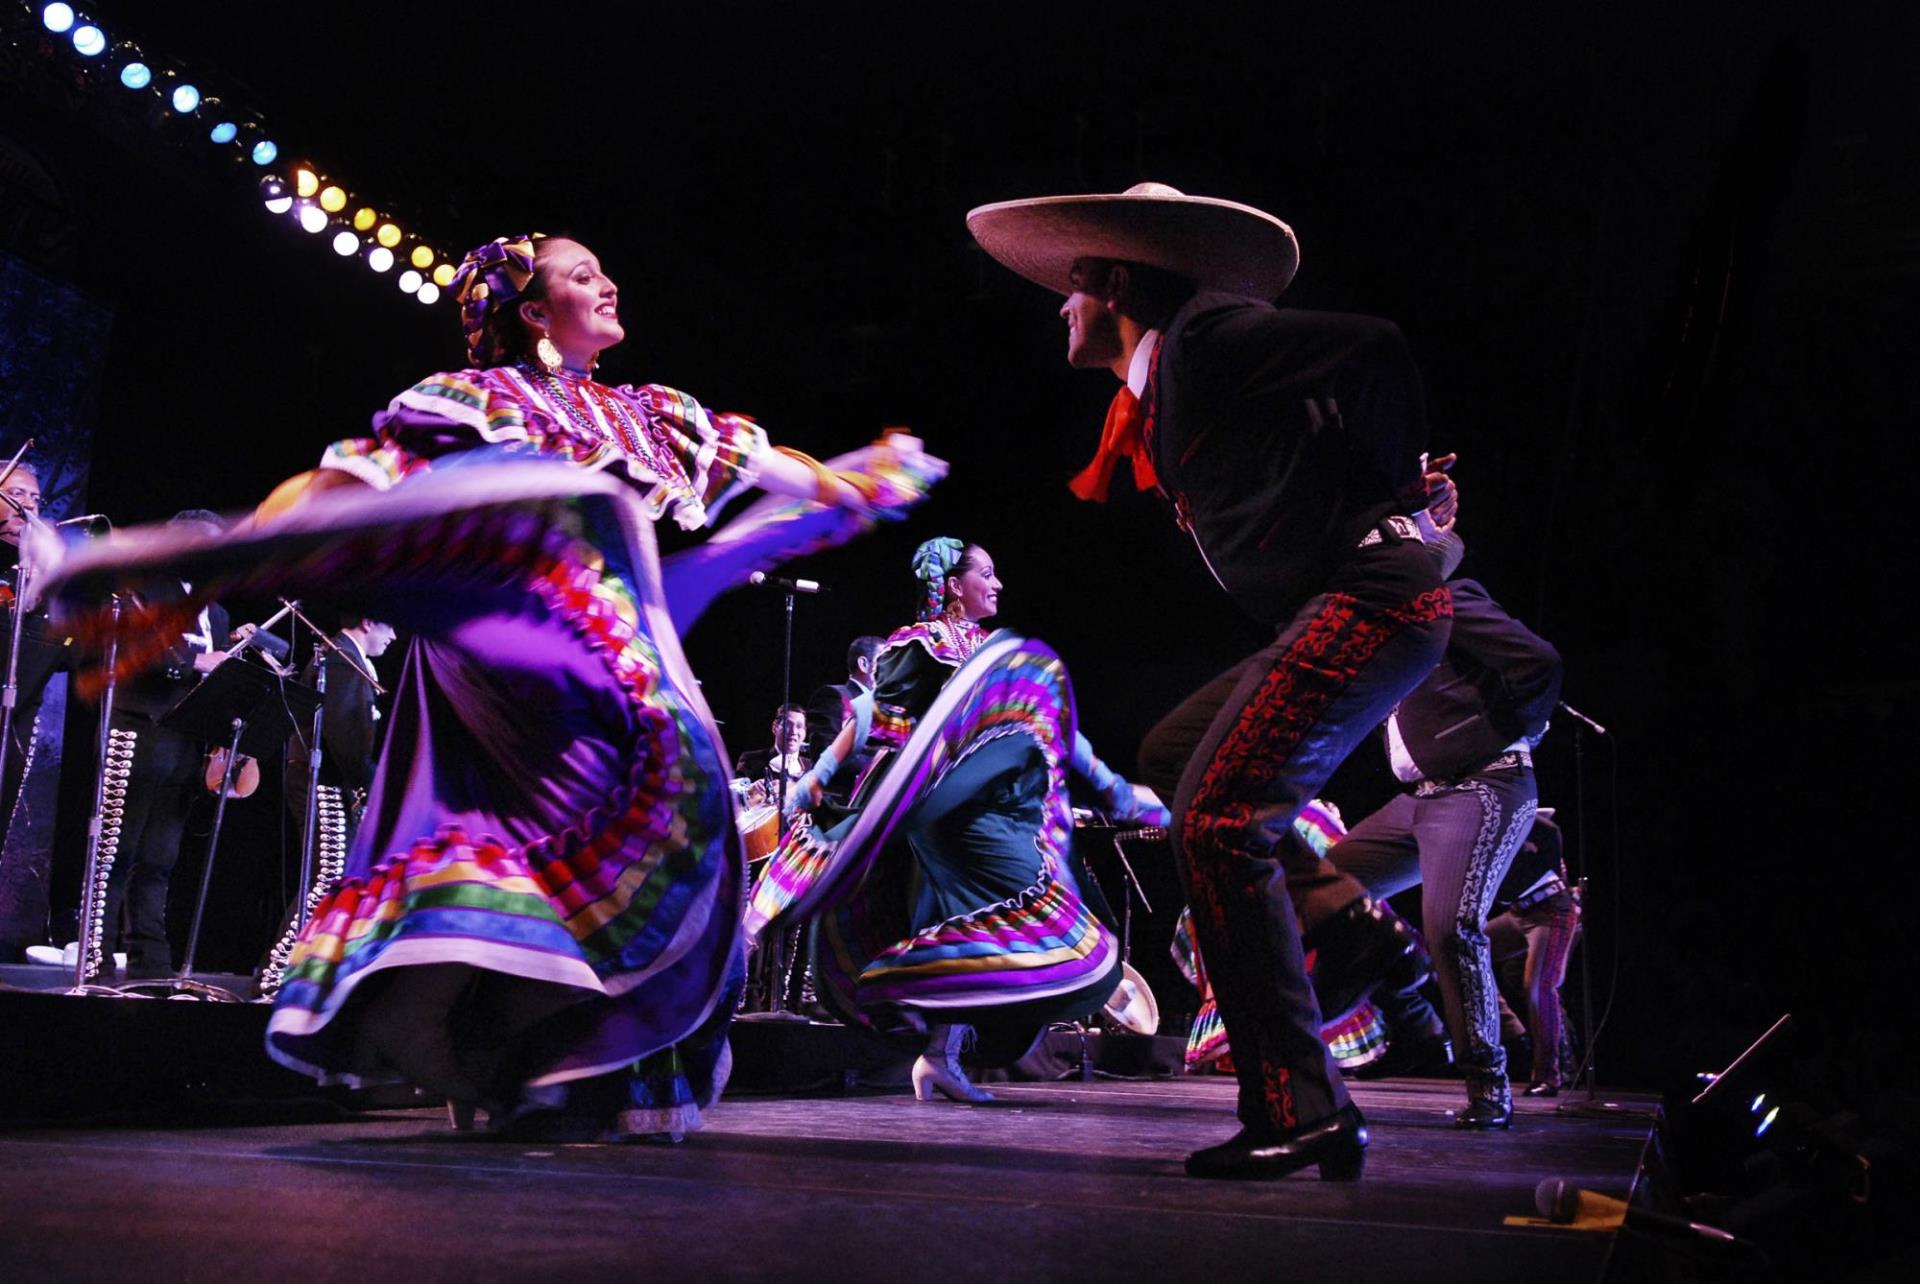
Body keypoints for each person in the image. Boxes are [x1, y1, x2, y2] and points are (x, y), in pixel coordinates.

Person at [38, 233, 939, 1137]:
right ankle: (527, 1051)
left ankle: (479, 1044)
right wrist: (236, 556)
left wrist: (866, 477)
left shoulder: (654, 415)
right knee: (656, 726)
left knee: (564, 843)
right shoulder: (472, 400)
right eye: (583, 275)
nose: (610, 280)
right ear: (534, 314)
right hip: (515, 629)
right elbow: (343, 486)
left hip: (607, 637)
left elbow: (789, 469)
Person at [969, 182, 1455, 1179]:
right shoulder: (1173, 378)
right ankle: (1343, 920)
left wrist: (1401, 491)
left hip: (1375, 594)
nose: (1060, 307)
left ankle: (1296, 1101)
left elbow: (1376, 347)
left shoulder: (1207, 336)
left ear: (1110, 281)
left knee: (1219, 822)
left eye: (1070, 287)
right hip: (1353, 599)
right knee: (1175, 754)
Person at [752, 536, 1165, 1103]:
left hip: (988, 805)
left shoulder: (990, 652)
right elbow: (876, 715)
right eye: (986, 574)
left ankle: (939, 1054)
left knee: (967, 919)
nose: (997, 585)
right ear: (952, 586)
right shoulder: (920, 644)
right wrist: (821, 772)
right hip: (944, 808)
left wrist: (1105, 782)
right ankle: (886, 984)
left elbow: (1045, 718)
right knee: (1033, 908)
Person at [1310, 576, 1561, 1128]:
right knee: (1315, 890)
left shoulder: (1446, 596)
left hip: (1484, 785)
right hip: (1420, 799)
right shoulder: (1384, 628)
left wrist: (1516, 731)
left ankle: (1488, 1086)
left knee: (1451, 925)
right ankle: (1361, 1004)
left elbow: (1539, 661)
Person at [257, 618, 397, 998]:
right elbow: (345, 735)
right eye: (389, 627)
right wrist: (368, 784)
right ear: (368, 622)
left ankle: (312, 970)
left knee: (338, 875)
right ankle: (276, 971)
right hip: (322, 780)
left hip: (334, 780)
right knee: (328, 877)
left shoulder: (349, 658)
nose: (393, 636)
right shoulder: (337, 660)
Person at [0, 461, 75, 961]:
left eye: (34, 498)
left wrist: (48, 588)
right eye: (16, 494)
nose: (27, 505)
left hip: (14, 726)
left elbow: (67, 654)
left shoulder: (37, 573)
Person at [1487, 809, 1581, 1096]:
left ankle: (1548, 1076)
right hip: (1519, 913)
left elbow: (1550, 830)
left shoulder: (1508, 812)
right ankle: (1512, 1031)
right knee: (1459, 949)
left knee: (1539, 988)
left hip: (1551, 911)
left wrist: (1552, 870)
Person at [803, 635, 882, 802]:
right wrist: (880, 765)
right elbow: (824, 753)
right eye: (886, 660)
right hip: (845, 805)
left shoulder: (886, 708)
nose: (892, 669)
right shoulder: (833, 696)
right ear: (864, 664)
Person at [733, 703, 811, 804]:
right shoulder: (752, 760)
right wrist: (750, 788)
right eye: (787, 724)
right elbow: (731, 793)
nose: (793, 731)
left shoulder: (810, 766)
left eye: (799, 726)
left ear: (805, 733)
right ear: (774, 727)